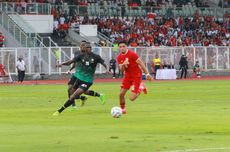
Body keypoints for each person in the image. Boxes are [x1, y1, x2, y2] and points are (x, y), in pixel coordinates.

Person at [53, 42, 109, 116]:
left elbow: (104, 63)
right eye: (87, 47)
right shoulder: (80, 56)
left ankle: (59, 111)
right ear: (84, 48)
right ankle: (86, 98)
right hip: (78, 78)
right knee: (71, 92)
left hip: (87, 80)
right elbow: (70, 62)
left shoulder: (96, 56)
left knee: (74, 95)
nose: (89, 49)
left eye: (90, 47)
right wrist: (61, 64)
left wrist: (107, 69)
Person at [66, 41, 105, 109]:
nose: (83, 47)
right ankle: (73, 105)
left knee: (84, 91)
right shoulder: (77, 53)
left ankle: (98, 95)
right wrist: (70, 70)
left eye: (84, 45)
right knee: (70, 89)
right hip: (76, 74)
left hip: (84, 76)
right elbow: (75, 62)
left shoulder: (90, 55)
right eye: (82, 45)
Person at [117, 41, 153, 114]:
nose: (122, 48)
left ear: (126, 47)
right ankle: (123, 110)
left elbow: (141, 63)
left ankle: (141, 87)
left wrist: (147, 74)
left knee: (132, 98)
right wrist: (123, 65)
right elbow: (121, 70)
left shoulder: (132, 54)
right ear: (119, 48)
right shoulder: (119, 57)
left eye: (123, 46)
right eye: (120, 47)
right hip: (127, 76)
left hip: (136, 76)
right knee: (121, 94)